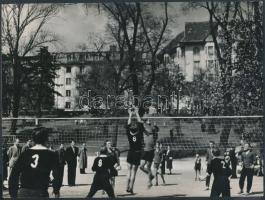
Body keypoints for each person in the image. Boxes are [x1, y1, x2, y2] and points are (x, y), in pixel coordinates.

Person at [8, 128, 61, 198]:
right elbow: (57, 175)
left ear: (33, 139)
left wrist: (13, 193)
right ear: (46, 139)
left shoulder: (25, 154)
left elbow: (14, 174)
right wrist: (56, 190)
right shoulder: (52, 154)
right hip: (40, 192)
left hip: (24, 192)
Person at [125, 106, 144, 194]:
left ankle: (126, 186)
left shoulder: (129, 133)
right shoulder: (139, 133)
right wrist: (136, 113)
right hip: (137, 153)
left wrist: (130, 115)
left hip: (130, 152)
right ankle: (131, 188)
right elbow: (140, 122)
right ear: (137, 128)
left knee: (129, 170)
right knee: (134, 172)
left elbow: (128, 124)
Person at [139, 117, 156, 189]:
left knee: (148, 167)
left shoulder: (151, 128)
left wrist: (149, 123)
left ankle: (149, 182)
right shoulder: (143, 127)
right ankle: (151, 175)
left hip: (151, 150)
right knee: (141, 167)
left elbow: (154, 129)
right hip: (146, 150)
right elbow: (140, 122)